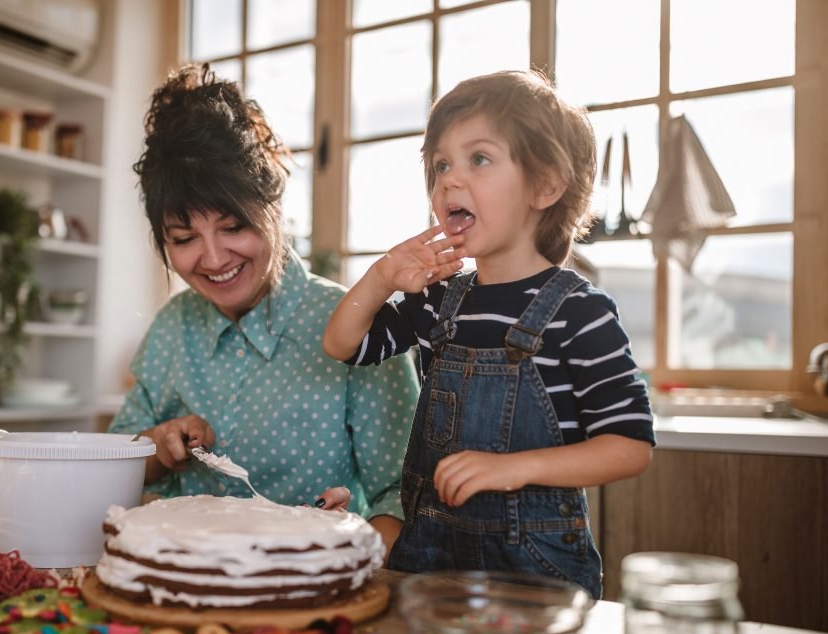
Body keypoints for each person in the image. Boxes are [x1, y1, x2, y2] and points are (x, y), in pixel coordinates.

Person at [322, 70, 654, 598]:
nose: (449, 180)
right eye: (440, 165)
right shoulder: (437, 300)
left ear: (545, 185)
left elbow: (629, 447)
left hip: (536, 576)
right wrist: (384, 274)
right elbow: (341, 343)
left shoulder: (580, 311)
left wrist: (512, 469)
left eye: (478, 158)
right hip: (428, 568)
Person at [109, 63, 419, 553]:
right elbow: (113, 466)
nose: (213, 258)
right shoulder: (173, 327)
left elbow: (403, 499)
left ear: (272, 205)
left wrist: (347, 546)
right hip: (187, 585)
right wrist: (161, 443)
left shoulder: (357, 327)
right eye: (185, 238)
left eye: (233, 227)